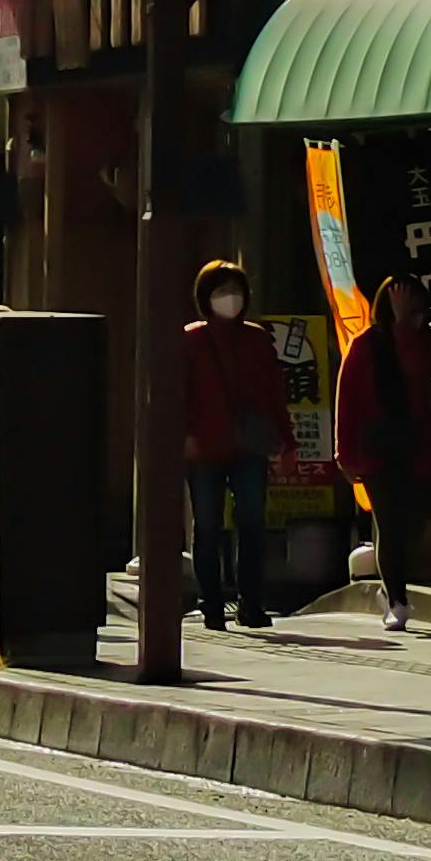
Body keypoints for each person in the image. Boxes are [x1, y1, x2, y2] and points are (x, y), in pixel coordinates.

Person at [180, 259, 292, 634]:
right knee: (208, 526)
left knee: (252, 523)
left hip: (249, 445)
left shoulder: (257, 338)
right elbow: (181, 393)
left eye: (236, 292)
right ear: (205, 297)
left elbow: (275, 391)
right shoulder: (192, 339)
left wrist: (284, 437)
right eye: (221, 292)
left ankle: (251, 603)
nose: (230, 299)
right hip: (206, 446)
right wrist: (186, 435)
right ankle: (211, 604)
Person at [332, 272, 431, 633]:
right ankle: (397, 599)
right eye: (403, 302)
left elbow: (417, 367)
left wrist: (404, 328)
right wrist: (344, 455)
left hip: (418, 447)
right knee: (390, 524)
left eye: (415, 302)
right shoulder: (365, 345)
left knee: (412, 526)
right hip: (378, 448)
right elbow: (347, 401)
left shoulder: (429, 342)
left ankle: (392, 588)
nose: (412, 309)